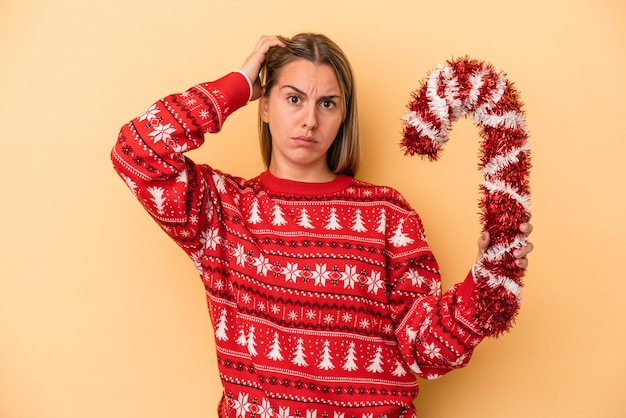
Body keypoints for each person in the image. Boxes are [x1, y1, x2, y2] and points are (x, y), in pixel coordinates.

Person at [111, 33, 533, 418]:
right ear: (265, 105)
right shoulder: (223, 210)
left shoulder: (387, 213)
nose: (310, 119)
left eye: (326, 103)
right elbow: (137, 152)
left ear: (343, 114)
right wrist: (238, 84)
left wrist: (487, 283)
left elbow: (427, 352)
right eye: (293, 98)